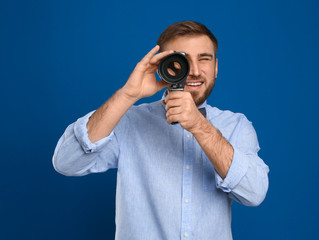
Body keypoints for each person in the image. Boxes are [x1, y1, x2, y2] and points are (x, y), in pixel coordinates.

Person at [53, 21, 269, 240]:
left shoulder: (236, 125)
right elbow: (66, 162)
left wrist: (200, 126)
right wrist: (128, 94)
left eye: (204, 59)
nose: (194, 71)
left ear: (215, 68)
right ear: (163, 66)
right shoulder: (129, 122)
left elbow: (254, 193)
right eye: (182, 60)